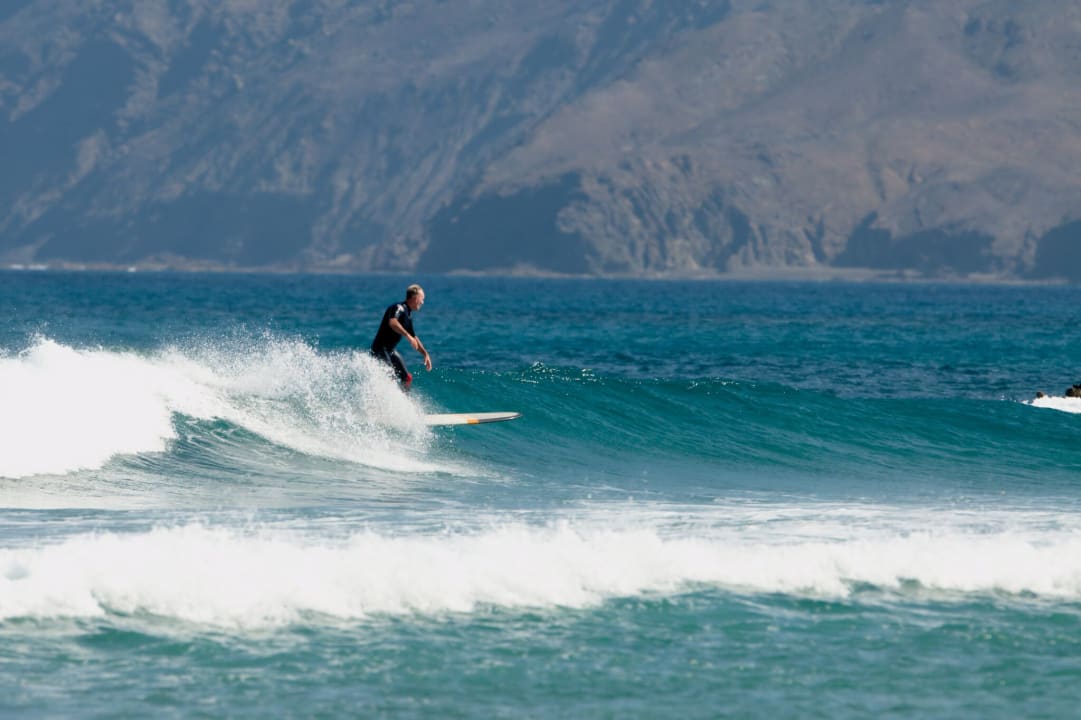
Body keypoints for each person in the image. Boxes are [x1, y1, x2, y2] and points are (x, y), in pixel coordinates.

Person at [370, 284, 432, 389]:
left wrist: (425, 354)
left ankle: (404, 398)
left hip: (390, 351)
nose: (422, 302)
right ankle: (384, 397)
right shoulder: (398, 307)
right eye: (422, 299)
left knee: (407, 378)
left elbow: (414, 337)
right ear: (415, 298)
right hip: (380, 349)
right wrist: (407, 336)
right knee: (390, 376)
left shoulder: (408, 315)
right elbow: (392, 322)